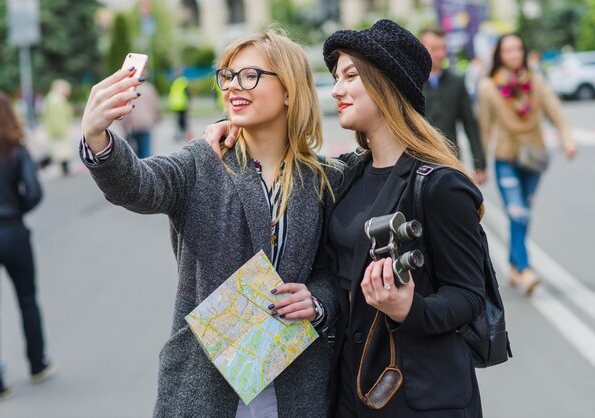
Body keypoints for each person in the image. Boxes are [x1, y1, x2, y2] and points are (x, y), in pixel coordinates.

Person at [206, 19, 487, 418]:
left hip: (421, 399)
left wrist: (409, 308)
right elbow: (331, 272)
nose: (336, 89)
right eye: (336, 77)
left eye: (350, 75)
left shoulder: (439, 185)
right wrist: (231, 127)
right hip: (351, 393)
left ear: (387, 84)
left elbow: (470, 297)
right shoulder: (345, 176)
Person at [80, 29, 339, 417]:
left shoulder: (323, 178)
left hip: (293, 387)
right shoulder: (203, 161)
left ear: (289, 90)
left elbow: (334, 272)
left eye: (250, 75)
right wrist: (96, 136)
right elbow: (138, 186)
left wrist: (319, 302)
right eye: (228, 76)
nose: (234, 85)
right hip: (204, 385)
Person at [0, 92, 54, 403]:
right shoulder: (17, 152)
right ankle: (37, 363)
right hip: (13, 233)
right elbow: (34, 192)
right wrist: (15, 208)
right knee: (27, 299)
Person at [477, 33, 577, 295]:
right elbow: (484, 127)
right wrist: (480, 165)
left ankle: (513, 262)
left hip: (534, 158)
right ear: (500, 54)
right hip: (505, 159)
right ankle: (524, 269)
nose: (514, 54)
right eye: (508, 49)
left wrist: (567, 140)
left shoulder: (535, 80)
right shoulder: (489, 87)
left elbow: (554, 110)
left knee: (522, 215)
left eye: (518, 49)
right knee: (517, 212)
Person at [419, 27, 487, 185]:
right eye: (434, 48)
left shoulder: (456, 82)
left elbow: (470, 124)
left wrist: (479, 163)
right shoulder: (411, 82)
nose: (440, 53)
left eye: (443, 48)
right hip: (419, 159)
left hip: (450, 159)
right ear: (420, 48)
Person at [120, 78, 161, 158]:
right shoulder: (149, 88)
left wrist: (124, 125)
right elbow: (156, 106)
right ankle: (146, 169)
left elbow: (124, 109)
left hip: (132, 126)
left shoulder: (128, 90)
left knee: (132, 154)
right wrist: (154, 119)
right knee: (146, 152)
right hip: (146, 124)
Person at [43, 79, 75, 175]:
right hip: (59, 130)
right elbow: (56, 117)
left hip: (58, 129)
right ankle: (41, 164)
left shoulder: (53, 98)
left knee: (59, 152)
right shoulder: (56, 99)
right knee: (60, 152)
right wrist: (60, 129)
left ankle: (43, 164)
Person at [168, 70, 192, 140]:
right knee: (184, 120)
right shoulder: (184, 81)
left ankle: (179, 134)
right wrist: (189, 102)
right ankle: (185, 134)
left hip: (175, 104)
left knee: (178, 121)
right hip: (182, 104)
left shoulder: (175, 82)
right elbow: (187, 92)